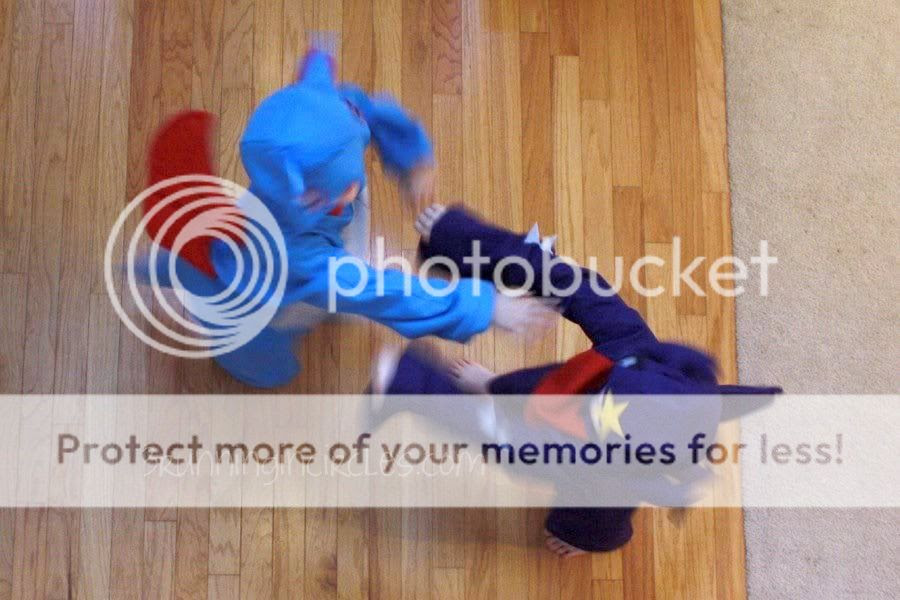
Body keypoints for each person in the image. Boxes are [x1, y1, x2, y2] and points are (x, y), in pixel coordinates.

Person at [370, 204, 781, 556]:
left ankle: (410, 379)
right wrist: (460, 239)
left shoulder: (615, 473)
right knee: (525, 383)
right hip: (553, 391)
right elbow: (571, 284)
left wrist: (581, 535)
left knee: (500, 438)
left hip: (559, 445)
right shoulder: (633, 345)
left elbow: (600, 511)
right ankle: (486, 384)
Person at [141, 49, 554, 388]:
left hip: (311, 240)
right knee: (262, 358)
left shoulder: (331, 115)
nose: (356, 186)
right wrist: (484, 307)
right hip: (261, 304)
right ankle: (250, 364)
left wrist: (410, 158)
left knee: (339, 255)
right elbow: (389, 294)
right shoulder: (301, 259)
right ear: (307, 194)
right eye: (346, 186)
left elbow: (365, 111)